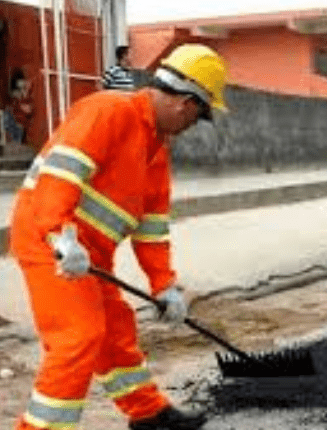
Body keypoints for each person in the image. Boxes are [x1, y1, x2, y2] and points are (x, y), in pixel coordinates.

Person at [9, 43, 228, 430]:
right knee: (79, 336)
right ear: (187, 103)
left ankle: (147, 414)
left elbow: (152, 230)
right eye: (201, 114)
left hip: (91, 254)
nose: (194, 124)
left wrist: (164, 286)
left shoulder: (156, 151)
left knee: (115, 329)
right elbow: (59, 174)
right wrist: (61, 238)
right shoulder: (110, 110)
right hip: (50, 242)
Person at [4, 69, 34, 143]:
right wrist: (26, 90)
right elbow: (27, 109)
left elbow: (27, 109)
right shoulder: (16, 101)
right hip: (14, 122)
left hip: (16, 123)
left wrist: (26, 90)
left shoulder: (20, 99)